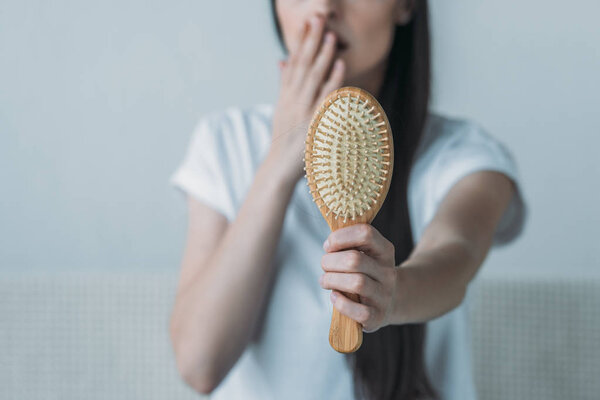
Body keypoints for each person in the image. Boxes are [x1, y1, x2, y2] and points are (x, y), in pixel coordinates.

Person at [168, 0, 528, 399]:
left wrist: (393, 295)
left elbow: (454, 254)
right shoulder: (225, 144)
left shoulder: (465, 157)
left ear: (406, 5)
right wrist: (279, 164)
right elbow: (199, 365)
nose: (323, 8)